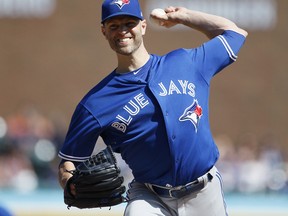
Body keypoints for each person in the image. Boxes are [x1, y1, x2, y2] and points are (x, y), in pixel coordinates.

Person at [58, 0, 248, 215]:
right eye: (114, 26)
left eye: (129, 23)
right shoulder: (95, 103)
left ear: (143, 26)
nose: (122, 31)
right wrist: (70, 183)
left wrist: (184, 17)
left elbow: (235, 34)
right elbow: (69, 163)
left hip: (204, 192)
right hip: (150, 197)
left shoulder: (186, 63)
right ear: (104, 31)